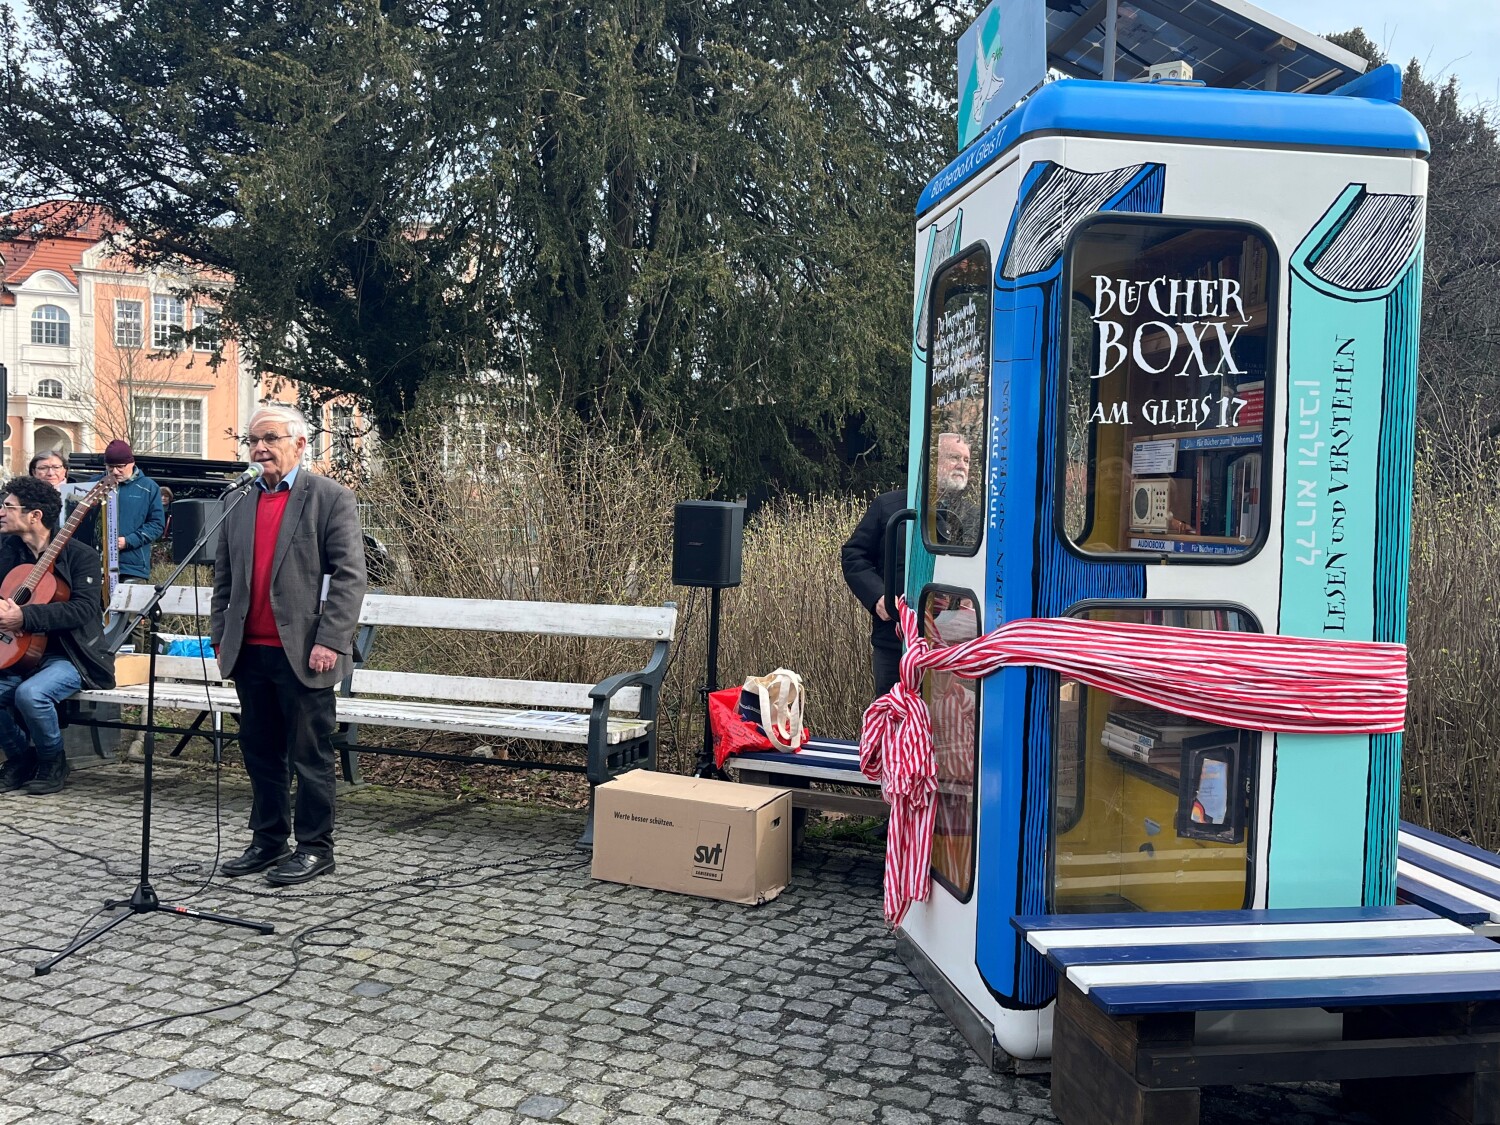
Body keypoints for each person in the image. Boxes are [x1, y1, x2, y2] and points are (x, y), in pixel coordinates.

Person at [211, 404, 367, 885]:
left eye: (270, 438)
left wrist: (332, 641)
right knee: (260, 751)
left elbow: (349, 578)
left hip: (304, 653)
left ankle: (317, 848)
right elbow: (224, 577)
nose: (259, 447)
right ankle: (268, 840)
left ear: (299, 444)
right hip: (249, 651)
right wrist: (222, 637)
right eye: (253, 440)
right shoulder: (238, 501)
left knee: (309, 754)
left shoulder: (330, 498)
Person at [0, 477, 116, 795]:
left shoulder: (80, 556)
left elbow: (83, 610)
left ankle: (53, 760)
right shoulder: (8, 551)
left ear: (34, 515)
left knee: (31, 695)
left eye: (8, 506)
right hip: (16, 654)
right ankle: (22, 758)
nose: (1, 511)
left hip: (71, 656)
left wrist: (25, 615)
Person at [841, 489, 908, 700]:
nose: (960, 466)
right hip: (892, 643)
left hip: (945, 648)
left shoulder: (965, 514)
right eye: (954, 458)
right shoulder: (887, 506)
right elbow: (854, 556)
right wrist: (879, 597)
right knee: (891, 718)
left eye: (966, 460)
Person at [97, 440, 165, 582]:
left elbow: (157, 525)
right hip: (95, 564)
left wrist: (128, 541)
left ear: (132, 463)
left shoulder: (149, 487)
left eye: (120, 467)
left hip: (133, 567)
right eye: (110, 467)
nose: (115, 472)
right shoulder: (95, 484)